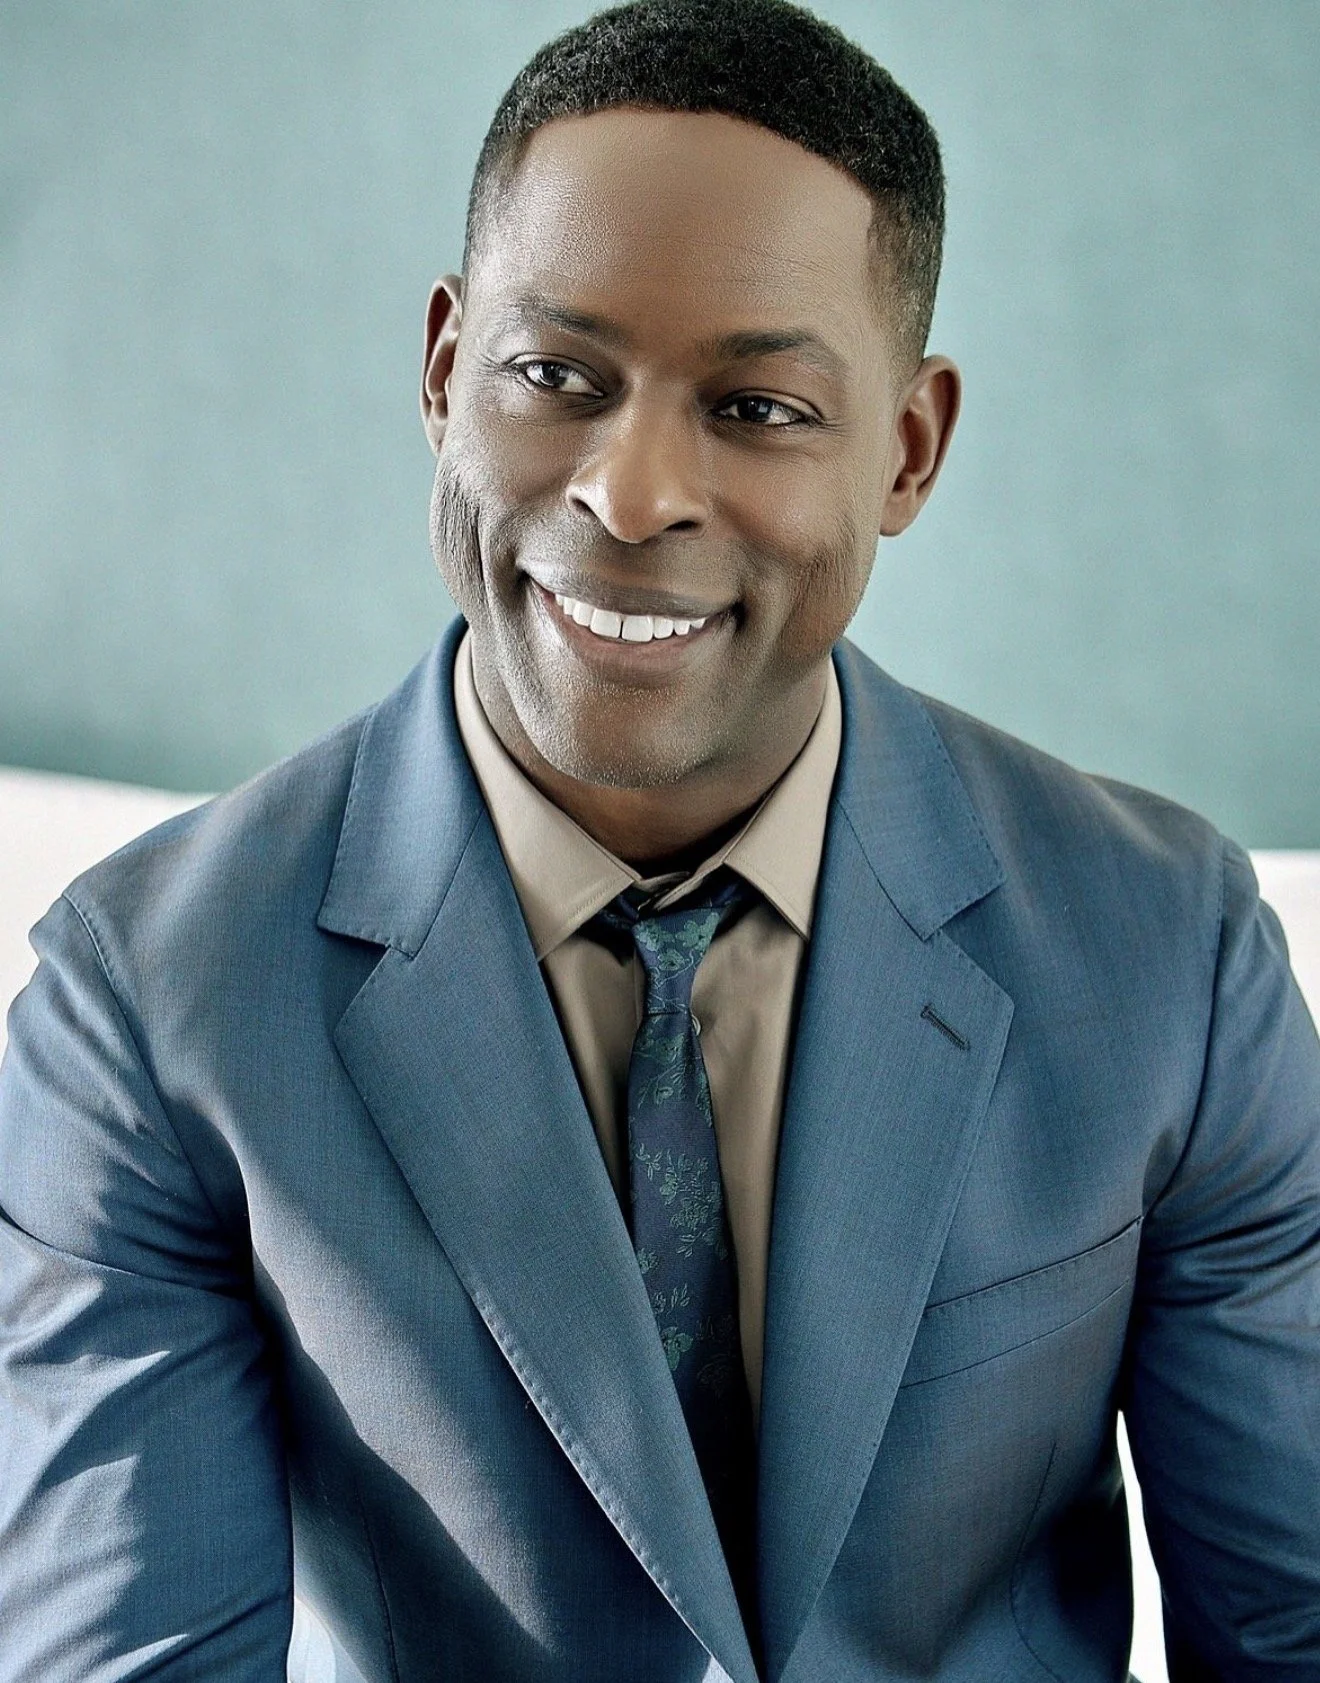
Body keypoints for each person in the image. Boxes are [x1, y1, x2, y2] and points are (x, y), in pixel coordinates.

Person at [2, 0, 1318, 1677]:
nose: (630, 495)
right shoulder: (148, 1004)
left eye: (758, 408)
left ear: (906, 448)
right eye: (557, 376)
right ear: (441, 370)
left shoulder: (1168, 954)